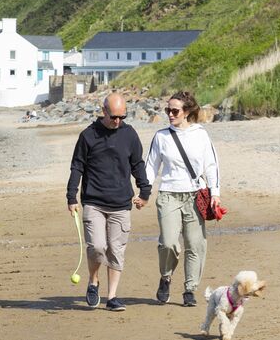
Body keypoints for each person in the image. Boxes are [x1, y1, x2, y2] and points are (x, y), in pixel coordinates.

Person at [67, 92, 151, 312]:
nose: (117, 121)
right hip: (94, 201)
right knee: (97, 247)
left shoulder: (129, 134)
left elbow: (137, 164)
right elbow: (77, 166)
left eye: (122, 117)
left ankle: (112, 296)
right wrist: (71, 196)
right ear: (103, 111)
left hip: (121, 203)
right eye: (114, 116)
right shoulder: (88, 135)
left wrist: (145, 191)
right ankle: (93, 282)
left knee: (116, 250)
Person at [145, 91, 221, 307]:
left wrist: (215, 194)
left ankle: (190, 289)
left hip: (196, 194)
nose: (170, 114)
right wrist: (144, 192)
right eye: (167, 110)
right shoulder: (161, 137)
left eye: (174, 110)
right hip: (168, 194)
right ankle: (166, 277)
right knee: (168, 243)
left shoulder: (201, 134)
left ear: (187, 112)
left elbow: (212, 165)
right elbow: (151, 166)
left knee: (195, 245)